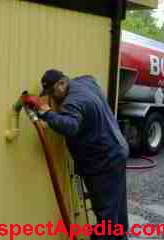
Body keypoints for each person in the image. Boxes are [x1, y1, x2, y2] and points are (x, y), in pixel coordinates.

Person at [24, 69, 129, 240]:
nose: (51, 96)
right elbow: (91, 78)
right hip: (117, 149)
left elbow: (70, 126)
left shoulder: (72, 102)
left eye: (52, 92)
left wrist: (46, 112)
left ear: (63, 83)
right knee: (117, 209)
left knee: (106, 214)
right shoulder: (85, 82)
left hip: (104, 162)